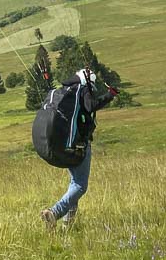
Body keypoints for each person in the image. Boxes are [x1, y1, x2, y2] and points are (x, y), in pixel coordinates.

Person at [40, 67, 117, 230]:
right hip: (79, 145)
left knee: (74, 184)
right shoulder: (83, 89)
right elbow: (91, 106)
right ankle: (54, 213)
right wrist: (110, 95)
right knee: (80, 185)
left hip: (65, 144)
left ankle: (68, 225)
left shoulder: (67, 91)